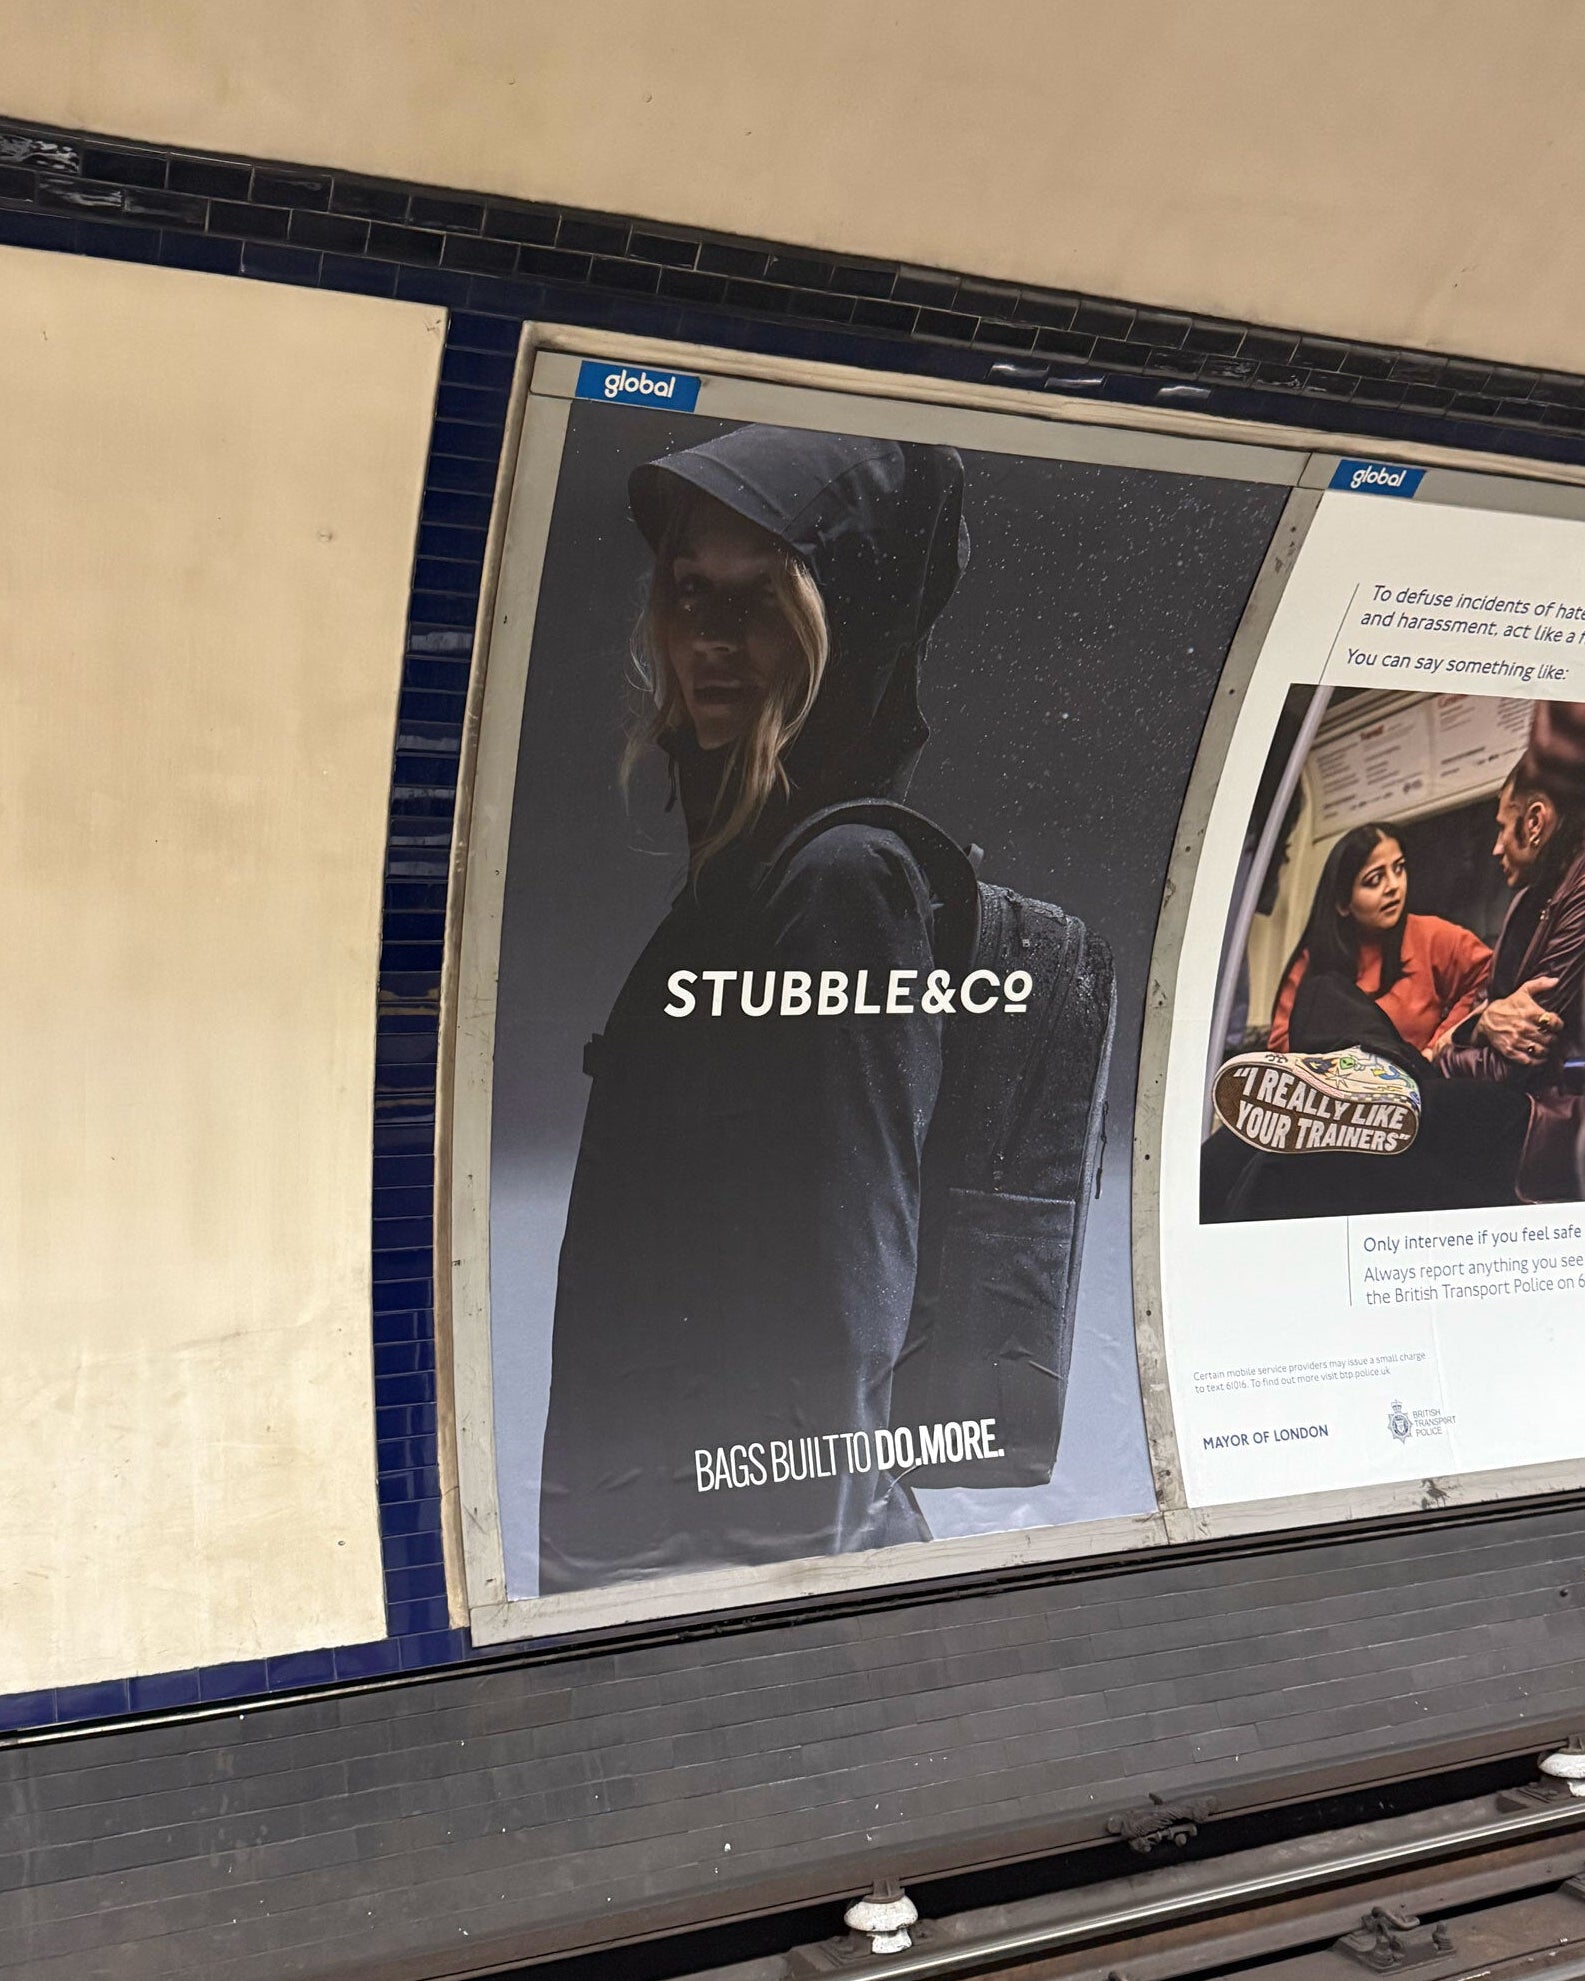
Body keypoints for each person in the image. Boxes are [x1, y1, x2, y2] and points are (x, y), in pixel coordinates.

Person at [537, 426, 971, 1595]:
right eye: (690, 592)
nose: (711, 639)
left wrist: (779, 1616)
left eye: (764, 598)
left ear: (847, 622)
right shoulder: (743, 883)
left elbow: (842, 1297)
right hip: (663, 1540)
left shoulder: (838, 883)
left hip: (732, 1568)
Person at [1440, 716, 1585, 1202]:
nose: (1496, 847)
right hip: (1527, 1095)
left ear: (1535, 822)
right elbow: (1491, 1007)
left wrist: (1442, 1051)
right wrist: (1477, 1026)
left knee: (1430, 1111)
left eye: (1503, 828)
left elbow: (1518, 1062)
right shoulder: (1529, 901)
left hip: (1554, 1114)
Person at [1267, 822, 1491, 1056]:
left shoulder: (1431, 936)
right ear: (1343, 904)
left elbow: (1490, 976)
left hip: (1422, 1074)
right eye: (1374, 880)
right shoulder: (1314, 960)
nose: (1394, 886)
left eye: (1399, 869)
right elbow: (1282, 1044)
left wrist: (1440, 1043)